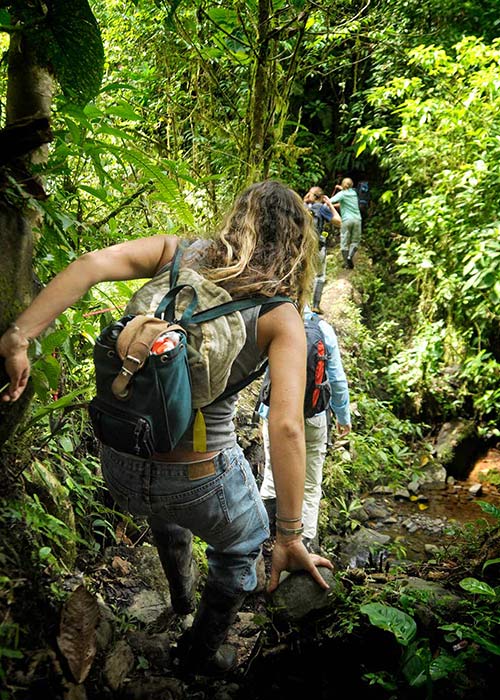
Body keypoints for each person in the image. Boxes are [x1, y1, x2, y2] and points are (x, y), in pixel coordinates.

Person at [0, 180, 333, 677]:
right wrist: (287, 536)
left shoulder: (175, 254)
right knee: (245, 541)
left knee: (169, 508)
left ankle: (178, 598)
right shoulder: (279, 313)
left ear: (235, 218)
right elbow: (285, 426)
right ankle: (200, 653)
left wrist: (18, 336)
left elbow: (90, 266)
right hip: (199, 479)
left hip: (120, 463)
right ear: (296, 245)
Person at [258, 306, 351, 552]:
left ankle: (264, 543)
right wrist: (343, 416)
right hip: (314, 416)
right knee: (310, 483)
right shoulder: (323, 330)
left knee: (271, 474)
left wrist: (262, 412)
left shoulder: (274, 318)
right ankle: (306, 544)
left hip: (276, 414)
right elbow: (337, 379)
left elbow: (266, 372)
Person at [303, 186, 341, 312]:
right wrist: (330, 204)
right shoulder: (322, 208)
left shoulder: (301, 207)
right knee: (319, 276)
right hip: (317, 247)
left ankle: (303, 305)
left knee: (303, 275)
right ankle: (315, 305)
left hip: (302, 248)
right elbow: (339, 222)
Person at [330, 177, 362, 269]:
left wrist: (325, 200)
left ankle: (346, 263)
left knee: (344, 241)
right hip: (357, 219)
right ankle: (350, 257)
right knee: (355, 240)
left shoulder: (342, 194)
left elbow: (330, 201)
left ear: (343, 185)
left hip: (347, 220)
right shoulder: (354, 193)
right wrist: (340, 187)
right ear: (352, 185)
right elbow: (344, 200)